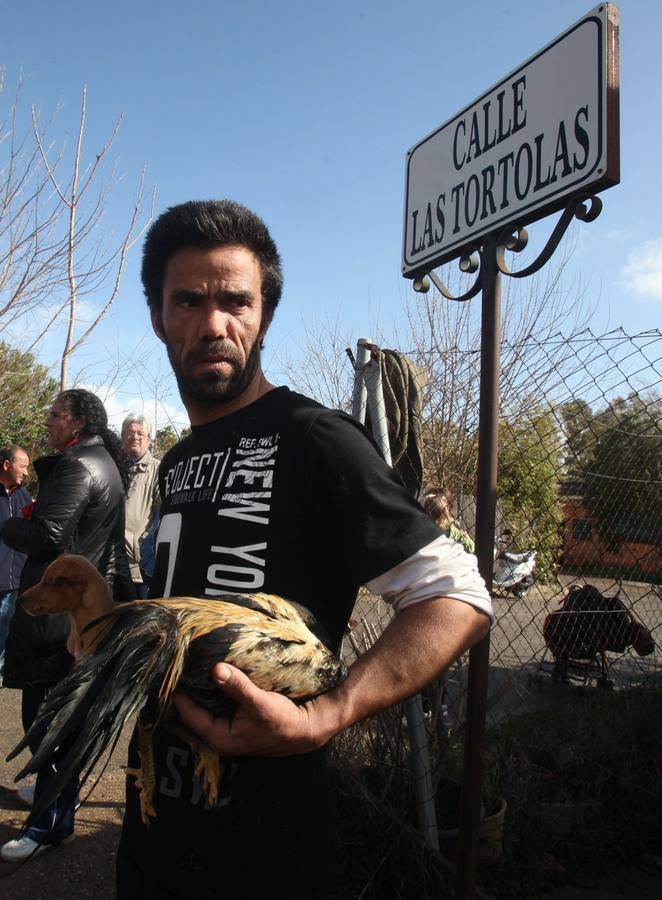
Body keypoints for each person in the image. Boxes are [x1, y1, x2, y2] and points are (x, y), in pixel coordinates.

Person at [116, 199, 494, 899]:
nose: (213, 325)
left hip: (264, 860)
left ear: (264, 315)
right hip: (150, 837)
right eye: (188, 301)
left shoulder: (313, 437)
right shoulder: (176, 462)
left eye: (236, 301)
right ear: (157, 316)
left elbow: (458, 597)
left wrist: (328, 714)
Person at [0, 389, 135, 862]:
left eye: (56, 414)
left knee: (47, 720)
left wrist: (9, 525)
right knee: (62, 718)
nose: (49, 421)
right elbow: (113, 547)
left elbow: (49, 534)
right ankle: (54, 794)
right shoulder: (103, 464)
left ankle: (49, 828)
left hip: (57, 616)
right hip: (80, 616)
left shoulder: (78, 465)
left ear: (78, 420)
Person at [0, 445, 31, 680]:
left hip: (16, 580)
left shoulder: (24, 496)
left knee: (7, 626)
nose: (27, 472)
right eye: (23, 466)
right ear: (6, 465)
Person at [121, 413, 161, 598]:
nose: (134, 437)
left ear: (149, 440)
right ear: (122, 437)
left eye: (140, 433)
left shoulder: (159, 470)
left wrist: (143, 545)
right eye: (129, 432)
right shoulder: (114, 467)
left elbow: (161, 517)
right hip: (111, 563)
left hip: (140, 570)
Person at [424, 487, 476, 554]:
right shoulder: (452, 530)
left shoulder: (422, 528)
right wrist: (467, 538)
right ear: (447, 508)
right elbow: (472, 548)